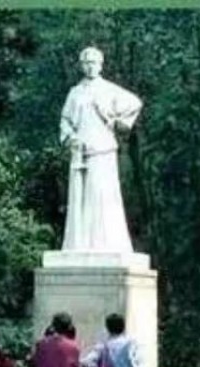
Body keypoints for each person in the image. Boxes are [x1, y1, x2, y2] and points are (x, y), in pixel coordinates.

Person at [60, 46, 143, 252]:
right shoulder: (75, 93)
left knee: (103, 195)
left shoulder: (109, 90)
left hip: (103, 149)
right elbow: (65, 120)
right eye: (86, 63)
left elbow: (135, 103)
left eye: (94, 62)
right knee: (80, 199)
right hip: (80, 152)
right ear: (81, 66)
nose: (90, 66)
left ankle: (107, 242)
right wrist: (71, 137)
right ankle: (79, 244)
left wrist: (117, 121)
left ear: (101, 65)